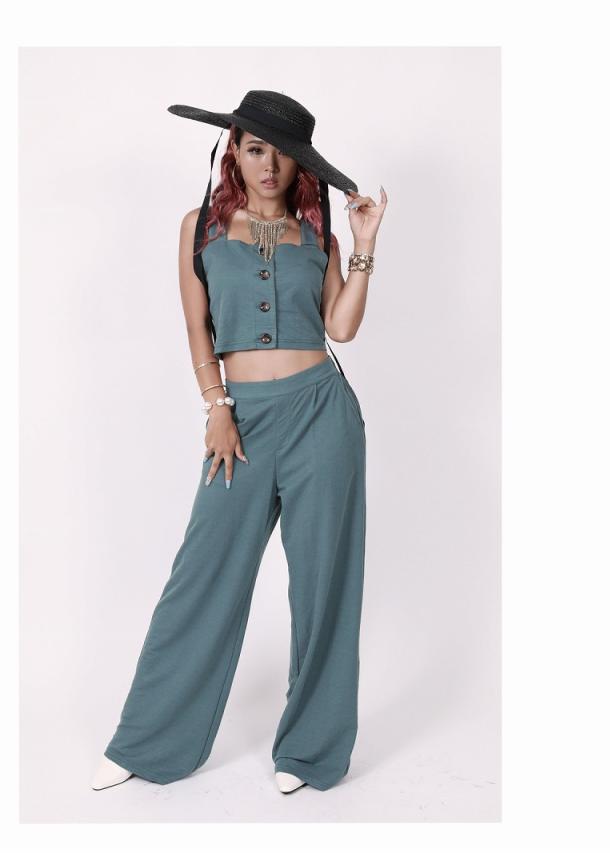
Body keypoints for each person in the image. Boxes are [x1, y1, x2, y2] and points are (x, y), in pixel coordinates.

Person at [91, 90, 387, 794]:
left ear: (301, 166)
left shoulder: (318, 235)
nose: (269, 165)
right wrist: (216, 407)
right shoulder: (200, 228)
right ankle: (149, 738)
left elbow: (342, 329)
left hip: (323, 414)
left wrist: (365, 247)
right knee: (202, 576)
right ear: (235, 151)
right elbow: (197, 328)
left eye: (283, 155)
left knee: (324, 584)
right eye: (256, 149)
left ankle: (309, 751)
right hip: (241, 420)